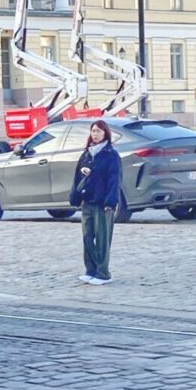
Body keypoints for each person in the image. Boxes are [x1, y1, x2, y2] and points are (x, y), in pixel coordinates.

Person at [70, 119, 122, 286]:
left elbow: (114, 180)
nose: (96, 134)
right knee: (87, 237)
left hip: (102, 203)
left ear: (105, 133)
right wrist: (75, 196)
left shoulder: (111, 155)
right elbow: (77, 177)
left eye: (99, 131)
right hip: (88, 201)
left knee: (102, 238)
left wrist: (110, 202)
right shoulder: (86, 154)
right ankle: (90, 270)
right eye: (93, 131)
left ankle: (103, 272)